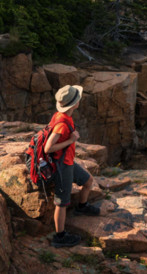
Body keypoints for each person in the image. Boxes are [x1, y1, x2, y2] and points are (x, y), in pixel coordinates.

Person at [44, 84, 100, 248]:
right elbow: (48, 148)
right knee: (61, 203)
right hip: (62, 166)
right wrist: (71, 140)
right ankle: (59, 237)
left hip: (68, 161)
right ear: (75, 104)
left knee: (88, 181)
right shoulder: (62, 123)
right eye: (78, 98)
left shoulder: (63, 115)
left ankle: (82, 206)